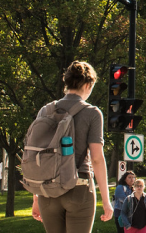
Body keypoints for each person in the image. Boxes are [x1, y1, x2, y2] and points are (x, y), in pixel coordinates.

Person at [30, 61, 115, 232]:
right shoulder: (92, 113)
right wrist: (106, 202)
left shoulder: (45, 111)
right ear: (87, 84)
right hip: (79, 188)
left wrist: (36, 198)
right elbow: (97, 159)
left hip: (47, 191)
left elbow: (37, 155)